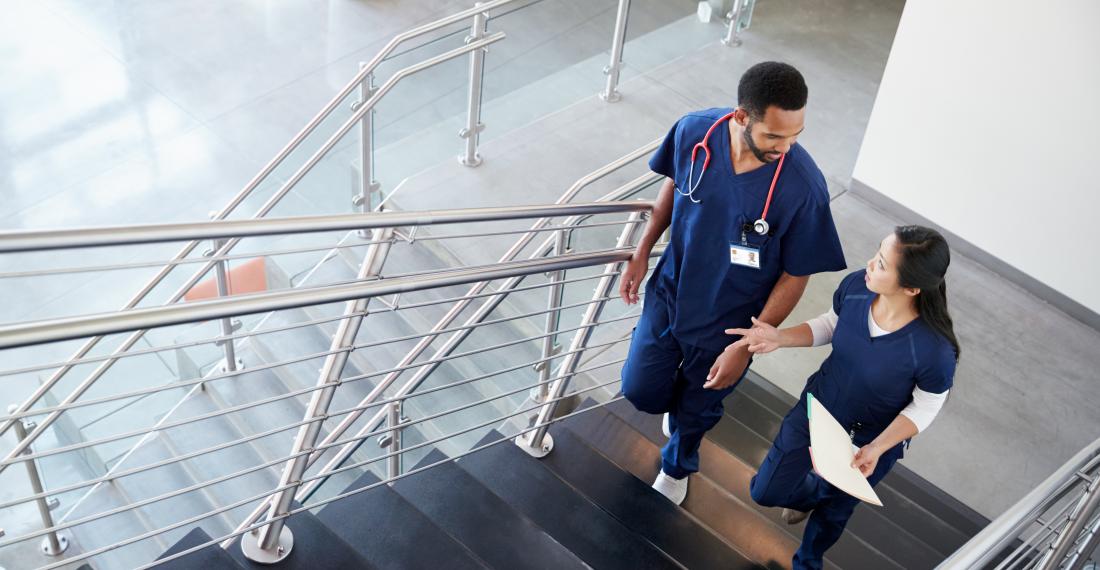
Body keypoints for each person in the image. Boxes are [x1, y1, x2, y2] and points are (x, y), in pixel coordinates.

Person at [618, 61, 846, 505]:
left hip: (730, 324)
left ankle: (677, 464)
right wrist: (642, 249)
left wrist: (748, 344)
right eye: (774, 136)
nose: (787, 146)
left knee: (698, 410)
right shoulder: (694, 133)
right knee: (640, 390)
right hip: (671, 294)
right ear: (742, 117)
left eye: (796, 134)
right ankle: (676, 410)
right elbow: (673, 186)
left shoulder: (803, 187)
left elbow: (797, 273)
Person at [728, 225, 960, 570]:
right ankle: (812, 494)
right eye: (876, 253)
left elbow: (926, 404)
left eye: (881, 264)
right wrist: (780, 337)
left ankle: (808, 561)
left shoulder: (934, 351)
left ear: (911, 287)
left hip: (869, 443)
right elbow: (832, 324)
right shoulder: (856, 287)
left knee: (835, 512)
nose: (869, 264)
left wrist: (878, 448)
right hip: (818, 409)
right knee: (766, 491)